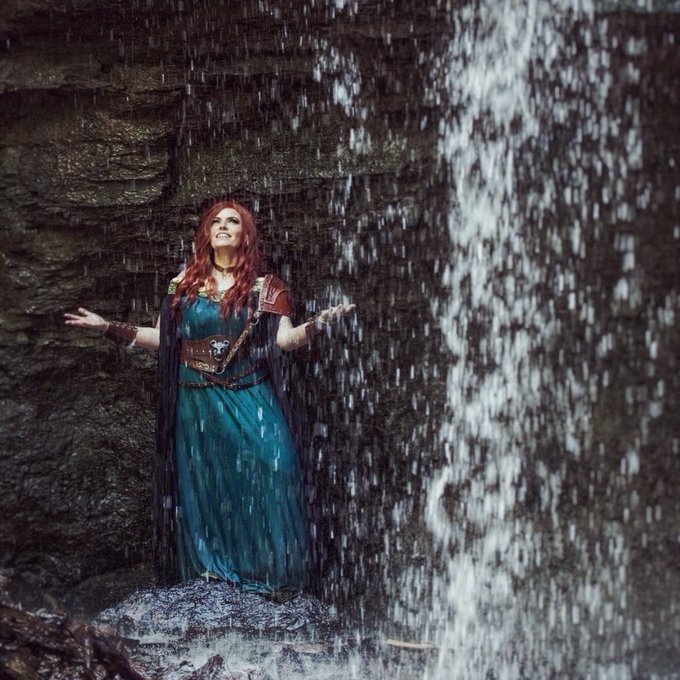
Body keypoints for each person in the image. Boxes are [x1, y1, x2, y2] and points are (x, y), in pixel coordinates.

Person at [65, 200, 355, 599]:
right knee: (207, 483)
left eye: (233, 221)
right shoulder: (183, 284)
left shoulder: (267, 287)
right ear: (205, 233)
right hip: (196, 400)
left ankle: (277, 579)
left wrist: (318, 324)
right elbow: (162, 339)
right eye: (215, 221)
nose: (222, 226)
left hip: (250, 395)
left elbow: (285, 341)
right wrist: (107, 328)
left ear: (245, 235)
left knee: (277, 469)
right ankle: (211, 576)